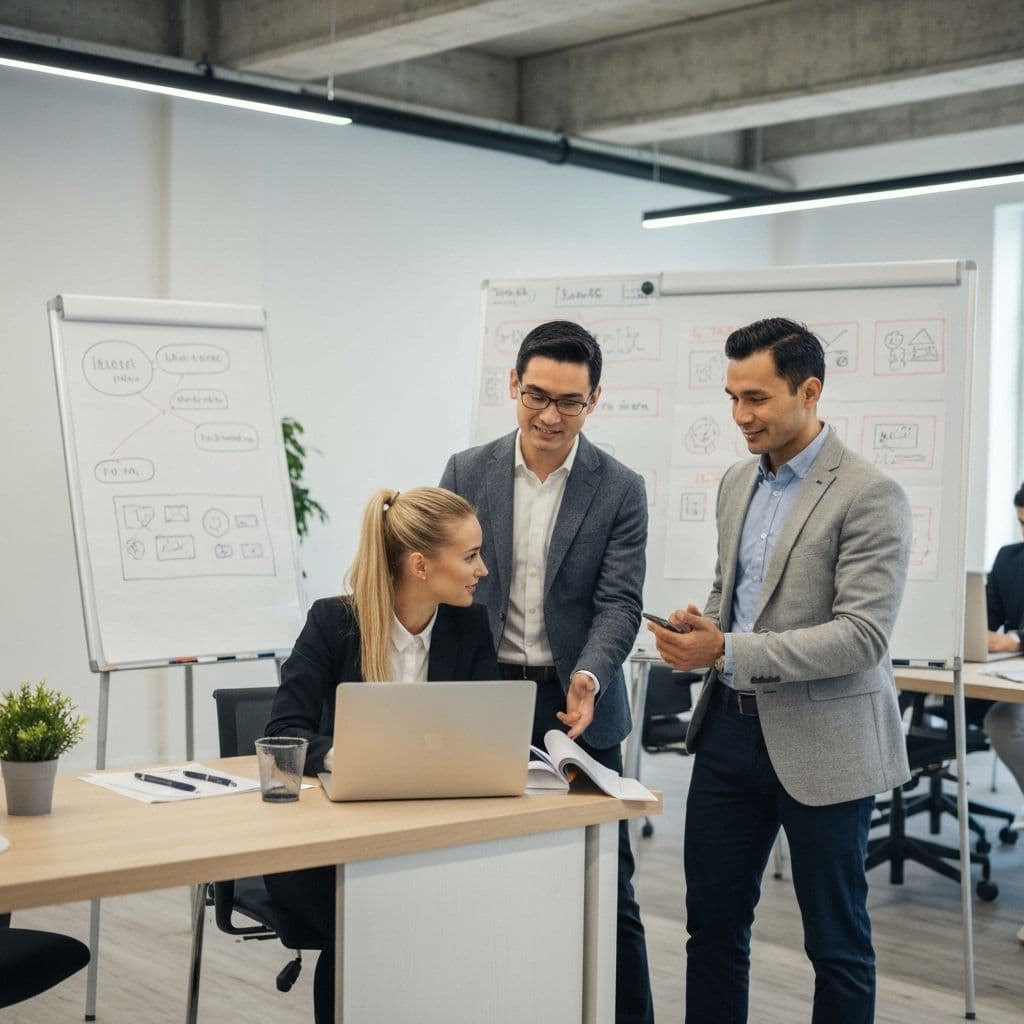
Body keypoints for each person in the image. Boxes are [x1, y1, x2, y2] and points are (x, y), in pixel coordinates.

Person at [648, 318, 912, 1024]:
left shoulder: (869, 494)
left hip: (825, 743)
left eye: (757, 399)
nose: (741, 416)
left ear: (810, 391)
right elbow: (734, 599)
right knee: (713, 929)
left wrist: (727, 650)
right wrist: (701, 628)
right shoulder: (737, 482)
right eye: (732, 397)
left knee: (836, 943)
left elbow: (861, 638)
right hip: (729, 739)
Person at [440, 319, 654, 1023]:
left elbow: (619, 602)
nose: (550, 416)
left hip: (576, 706)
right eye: (537, 396)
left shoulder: (619, 487)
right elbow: (446, 587)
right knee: (481, 871)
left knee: (605, 884)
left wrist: (591, 672)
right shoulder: (466, 472)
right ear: (512, 386)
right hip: (486, 698)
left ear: (594, 401)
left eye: (570, 402)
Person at [263, 486, 498, 1024]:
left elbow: (486, 732)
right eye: (469, 556)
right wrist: (345, 753)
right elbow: (285, 732)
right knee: (364, 926)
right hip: (338, 842)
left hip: (432, 831)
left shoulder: (470, 627)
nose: (481, 570)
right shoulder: (333, 622)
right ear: (420, 564)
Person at [983, 481, 1024, 945]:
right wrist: (984, 634)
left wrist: (1015, 641)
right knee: (1001, 720)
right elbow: (987, 616)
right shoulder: (1009, 558)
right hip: (1009, 678)